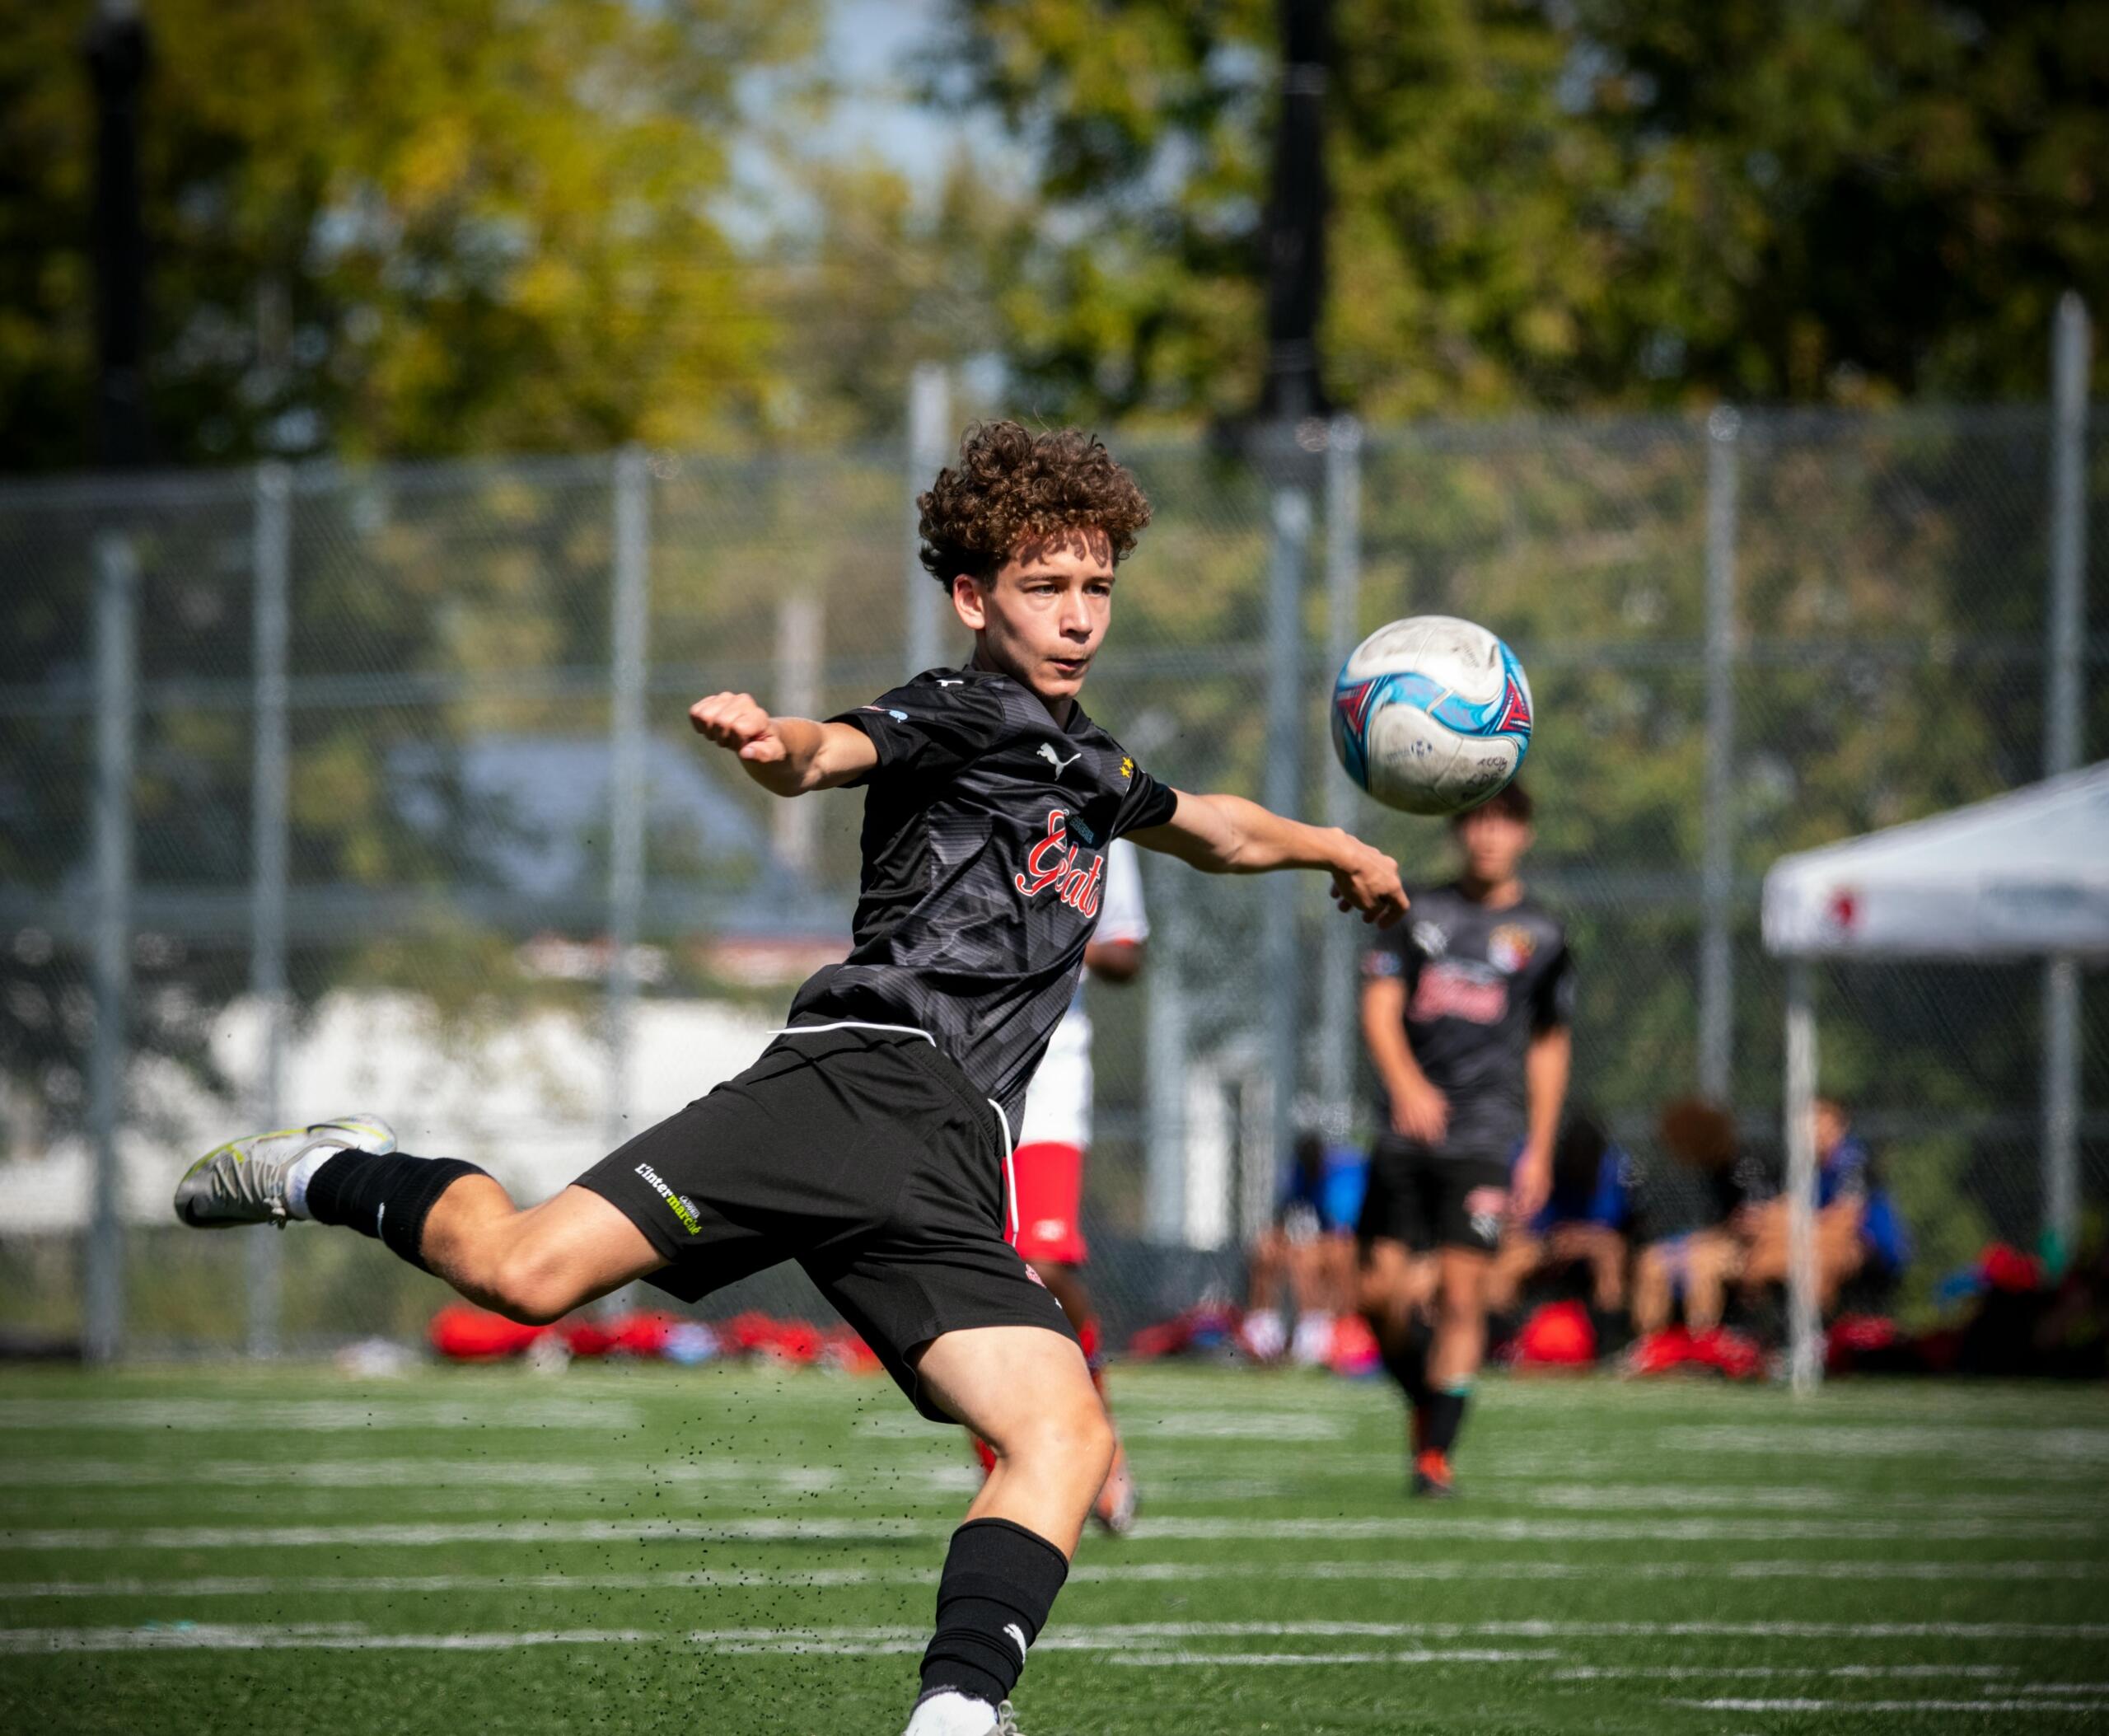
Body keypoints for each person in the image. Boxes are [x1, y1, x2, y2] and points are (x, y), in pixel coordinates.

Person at [171, 420, 1406, 1736]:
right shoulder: (955, 706)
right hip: (842, 1089)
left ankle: (957, 1715)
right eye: (1046, 587)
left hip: (948, 1166)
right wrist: (774, 741)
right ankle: (328, 1165)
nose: (1079, 614)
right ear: (975, 596)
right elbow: (831, 749)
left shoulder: (1093, 765)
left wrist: (1340, 842)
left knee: (1067, 1434)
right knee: (520, 1275)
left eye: (1098, 584)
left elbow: (1213, 825)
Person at [1354, 781, 1573, 1497]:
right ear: (1457, 831)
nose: (1488, 835)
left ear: (1524, 835)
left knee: (1460, 1293)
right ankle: (1429, 1399)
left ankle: (1435, 1457)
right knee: (1378, 1295)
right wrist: (1409, 1084)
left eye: (1503, 822)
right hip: (1406, 1133)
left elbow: (1547, 1045)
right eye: (1476, 820)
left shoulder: (1543, 935)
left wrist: (1538, 1146)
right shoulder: (1418, 914)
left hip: (1484, 1134)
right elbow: (1380, 1006)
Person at [984, 834, 1148, 1533]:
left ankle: (1097, 1427)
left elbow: (1126, 951)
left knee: (1042, 1265)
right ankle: (1007, 1468)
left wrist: (1058, 939)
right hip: (962, 1068)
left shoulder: (1097, 804)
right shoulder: (957, 787)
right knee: (980, 1275)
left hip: (1049, 1083)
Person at [1737, 1095, 1908, 1314]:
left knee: (1809, 1259)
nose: (1807, 1127)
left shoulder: (1852, 1159)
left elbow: (1843, 1222)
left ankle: (1812, 1334)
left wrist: (1787, 1222)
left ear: (1838, 1124)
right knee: (1758, 1257)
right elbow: (1765, 1214)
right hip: (1814, 1238)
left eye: (1817, 1118)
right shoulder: (1801, 1166)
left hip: (1868, 1245)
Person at [1485, 1109, 1632, 1350]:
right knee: (1509, 1261)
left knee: (1610, 1253)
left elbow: (1614, 1231)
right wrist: (1550, 1244)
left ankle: (1609, 1347)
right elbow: (1515, 1227)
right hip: (1544, 1245)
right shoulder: (1533, 1166)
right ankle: (1502, 1346)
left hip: (1588, 1249)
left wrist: (1579, 1239)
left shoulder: (1612, 1168)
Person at [1629, 1097, 1766, 1339]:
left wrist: (1704, 1240)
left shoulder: (1741, 1166)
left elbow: (1750, 1223)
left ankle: (1702, 1347)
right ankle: (1651, 1349)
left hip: (1732, 1248)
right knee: (1650, 1263)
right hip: (1688, 1245)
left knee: (1700, 1266)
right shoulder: (1680, 1169)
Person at [1244, 1130, 1368, 1365]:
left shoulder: (1343, 1173)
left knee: (1311, 1257)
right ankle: (1264, 1329)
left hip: (1353, 1241)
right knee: (1266, 1247)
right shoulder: (1299, 1171)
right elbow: (1285, 1217)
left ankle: (1317, 1332)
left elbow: (1343, 1230)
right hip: (1319, 1237)